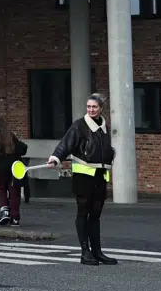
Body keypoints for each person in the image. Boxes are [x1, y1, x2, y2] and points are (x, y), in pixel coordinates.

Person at [48, 93, 116, 265]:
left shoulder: (104, 126)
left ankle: (97, 251)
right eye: (88, 106)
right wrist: (55, 158)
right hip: (83, 177)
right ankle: (85, 252)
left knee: (95, 215)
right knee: (83, 213)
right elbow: (66, 143)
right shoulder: (79, 125)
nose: (91, 110)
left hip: (100, 176)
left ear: (101, 109)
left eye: (94, 107)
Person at [0, 116, 29, 226]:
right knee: (14, 192)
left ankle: (4, 211)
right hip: (14, 169)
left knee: (2, 189)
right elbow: (23, 149)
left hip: (0, 170)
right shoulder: (11, 137)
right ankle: (15, 217)